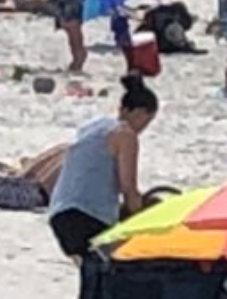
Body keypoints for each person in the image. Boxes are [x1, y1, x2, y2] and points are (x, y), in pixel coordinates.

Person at [47, 74, 159, 260]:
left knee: (91, 273)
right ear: (139, 113)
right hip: (88, 215)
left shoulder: (93, 127)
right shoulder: (125, 134)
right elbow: (128, 188)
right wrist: (143, 221)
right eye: (146, 122)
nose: (143, 129)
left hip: (59, 212)